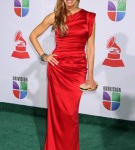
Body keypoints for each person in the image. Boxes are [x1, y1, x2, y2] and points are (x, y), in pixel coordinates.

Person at [29, 0, 97, 149]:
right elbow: (33, 35)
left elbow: (90, 47)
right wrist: (44, 56)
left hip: (78, 70)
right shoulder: (55, 16)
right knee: (57, 115)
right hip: (58, 70)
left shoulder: (89, 17)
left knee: (70, 115)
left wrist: (90, 76)